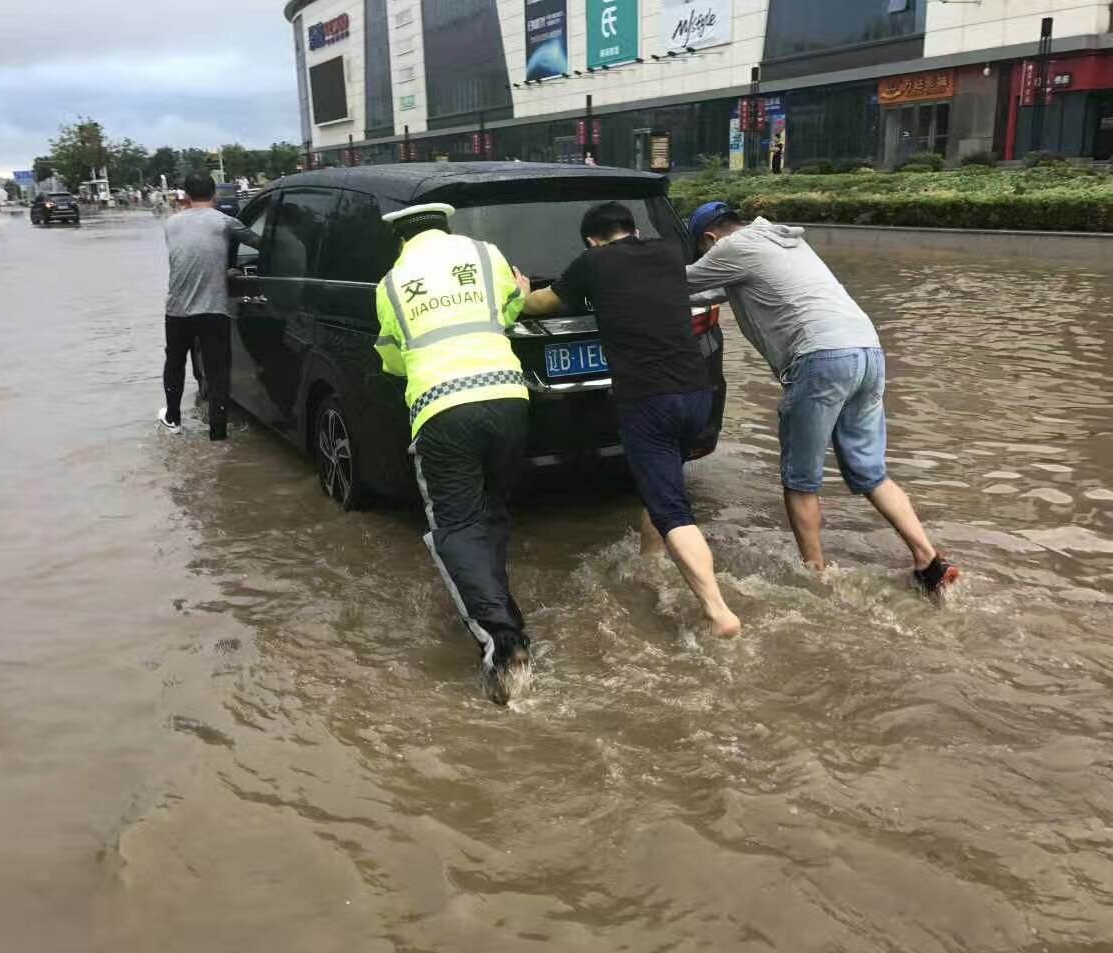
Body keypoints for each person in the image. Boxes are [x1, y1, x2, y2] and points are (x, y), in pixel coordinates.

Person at [684, 202, 959, 596]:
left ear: (710, 238)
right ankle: (928, 562)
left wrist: (619, 263)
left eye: (703, 250)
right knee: (870, 472)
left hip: (820, 359)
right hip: (867, 352)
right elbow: (721, 288)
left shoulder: (732, 249)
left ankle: (816, 581)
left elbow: (677, 283)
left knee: (800, 480)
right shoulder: (783, 242)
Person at [515, 202, 742, 638]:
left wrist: (519, 288)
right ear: (634, 229)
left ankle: (717, 610)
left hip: (648, 400)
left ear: (591, 240)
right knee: (662, 482)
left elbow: (540, 305)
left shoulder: (591, 262)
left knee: (673, 510)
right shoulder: (668, 253)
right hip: (696, 393)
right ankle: (651, 559)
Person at [374, 202, 532, 704]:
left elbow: (392, 360)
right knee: (491, 512)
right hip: (510, 399)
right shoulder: (488, 257)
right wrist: (519, 297)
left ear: (400, 239)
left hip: (443, 410)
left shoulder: (391, 284)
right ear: (446, 226)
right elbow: (507, 313)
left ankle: (503, 642)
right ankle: (496, 603)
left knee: (455, 527)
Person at [159, 171, 262, 440]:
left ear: (186, 196)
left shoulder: (171, 224)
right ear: (215, 195)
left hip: (177, 310)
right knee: (218, 371)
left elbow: (191, 257)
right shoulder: (226, 222)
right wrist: (228, 272)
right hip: (213, 310)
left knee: (174, 364)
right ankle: (218, 433)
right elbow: (260, 243)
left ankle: (173, 418)